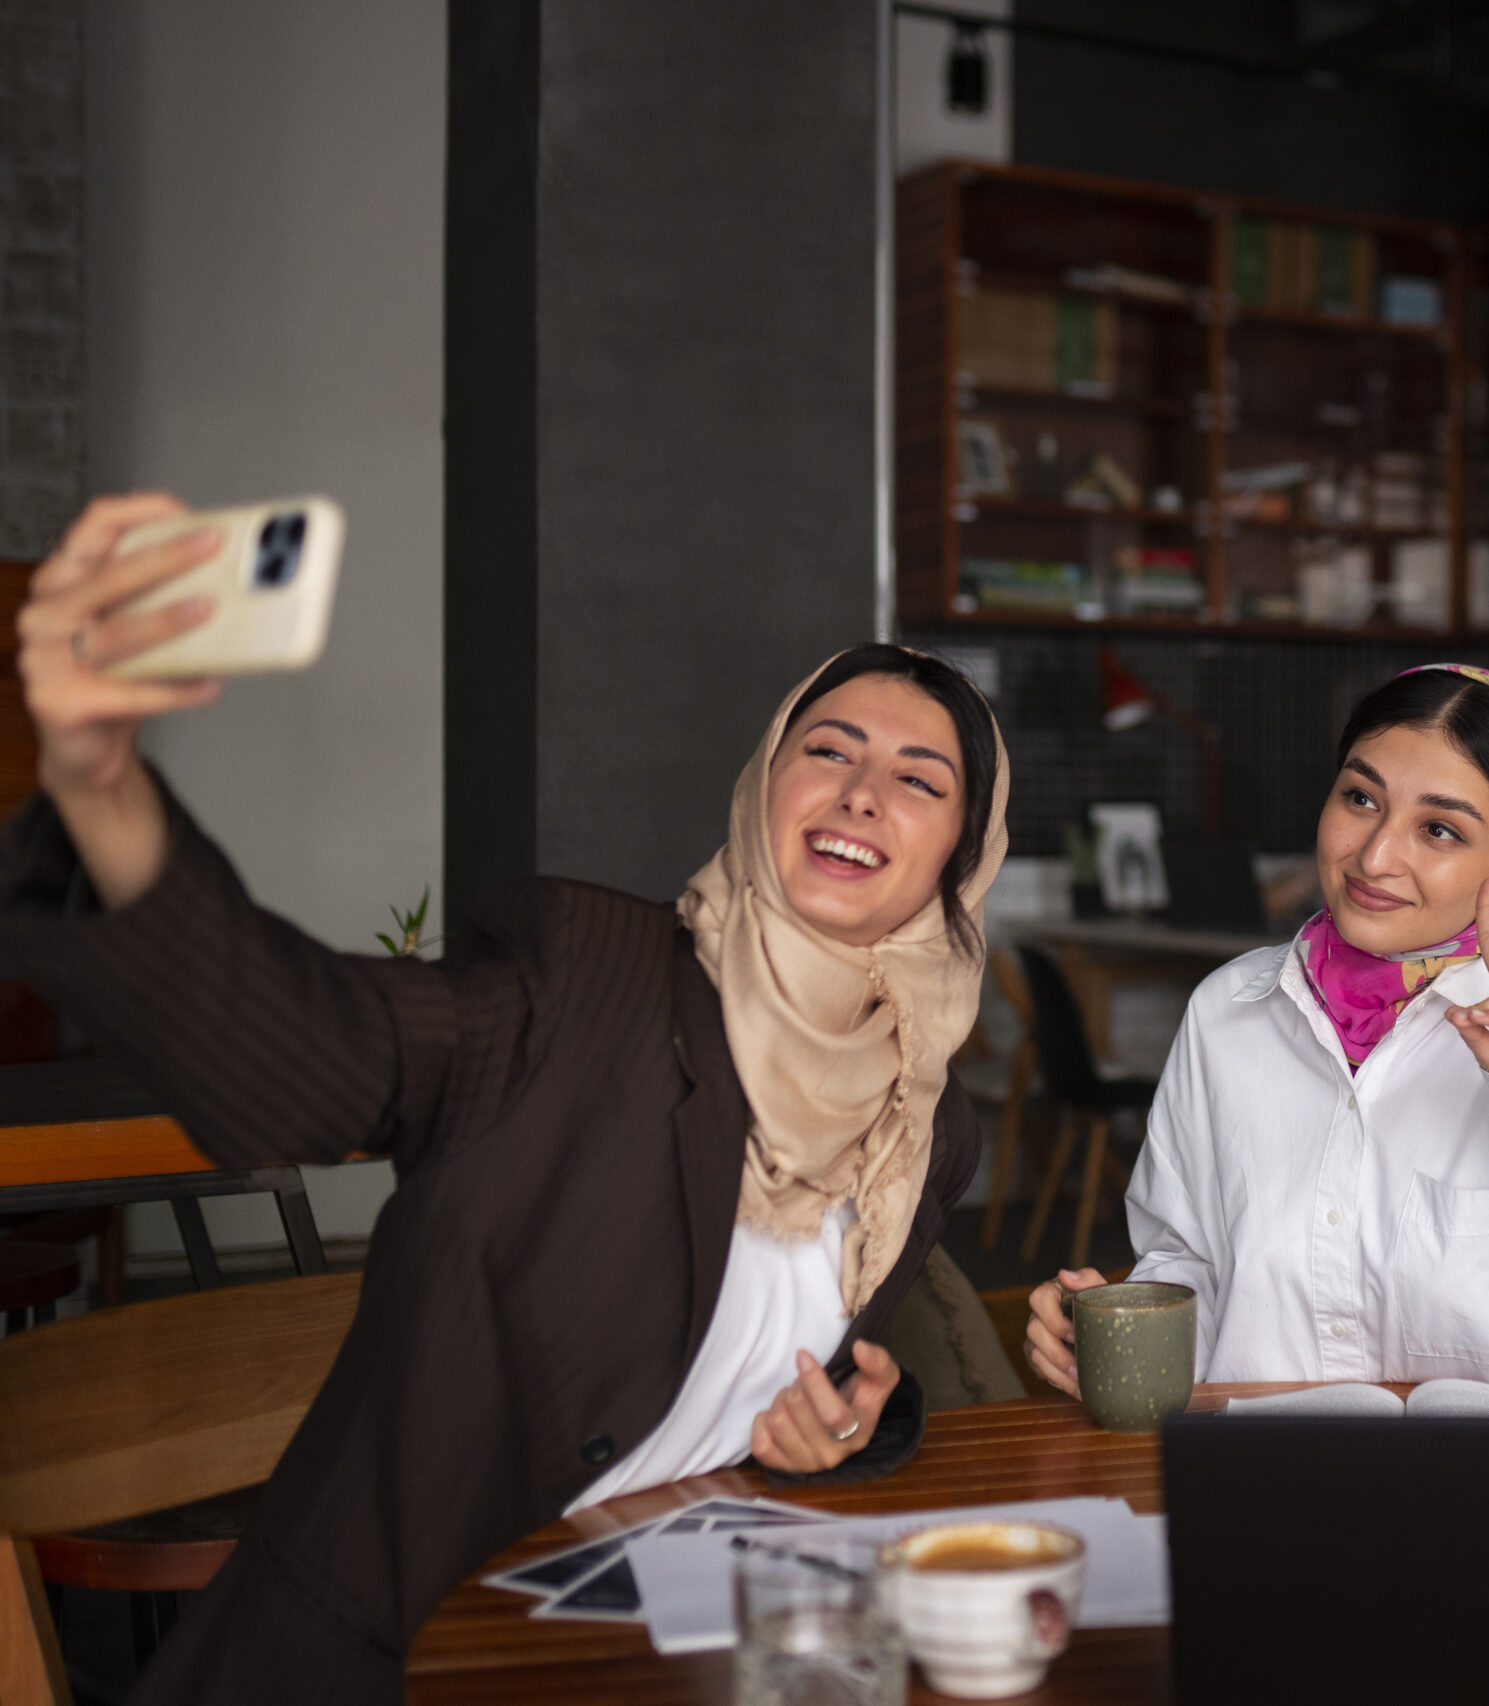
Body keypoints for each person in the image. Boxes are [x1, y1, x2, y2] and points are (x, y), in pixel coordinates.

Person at [5, 494, 1008, 1704]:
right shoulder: (578, 975)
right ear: (765, 780)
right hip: (397, 1661)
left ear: (961, 853)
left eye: (919, 778)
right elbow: (311, 1049)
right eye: (829, 747)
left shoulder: (923, 1123)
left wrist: (847, 1423)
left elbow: (810, 1369)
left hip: (662, 1652)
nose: (860, 793)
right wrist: (99, 784)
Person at [1025, 665, 1489, 1400]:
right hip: (1263, 1485)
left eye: (1440, 829)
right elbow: (1192, 1258)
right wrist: (1129, 1333)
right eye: (1360, 797)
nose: (1376, 857)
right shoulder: (1230, 1012)